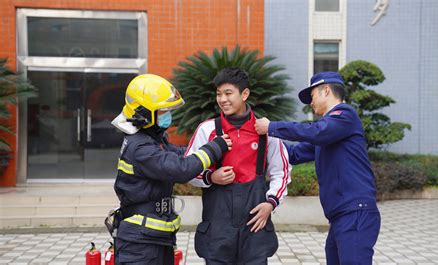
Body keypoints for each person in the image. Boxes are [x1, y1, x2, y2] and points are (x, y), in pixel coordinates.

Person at [254, 71, 381, 265]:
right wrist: (261, 142)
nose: (310, 103)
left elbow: (317, 132)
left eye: (312, 96)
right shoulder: (328, 133)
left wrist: (272, 127)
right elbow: (294, 154)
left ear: (326, 90)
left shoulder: (344, 115)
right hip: (341, 215)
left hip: (355, 212)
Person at [110, 74, 232, 264]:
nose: (168, 115)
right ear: (144, 112)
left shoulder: (153, 139)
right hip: (140, 244)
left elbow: (181, 154)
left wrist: (208, 152)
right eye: (163, 111)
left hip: (154, 237)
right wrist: (215, 148)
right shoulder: (140, 147)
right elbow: (181, 169)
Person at [185, 68, 291, 265]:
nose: (222, 99)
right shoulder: (207, 129)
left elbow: (281, 171)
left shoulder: (266, 131)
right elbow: (187, 169)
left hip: (254, 228)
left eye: (228, 93)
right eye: (218, 94)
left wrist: (271, 203)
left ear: (245, 94)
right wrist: (211, 177)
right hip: (218, 227)